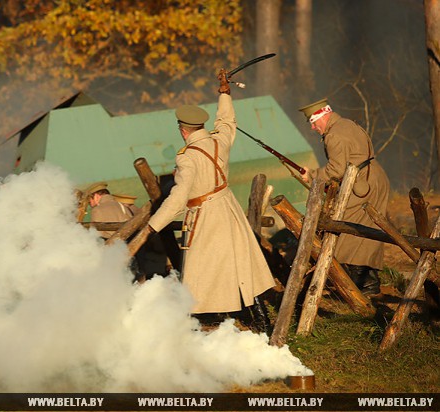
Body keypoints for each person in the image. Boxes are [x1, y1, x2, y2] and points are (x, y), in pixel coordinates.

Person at [144, 70, 275, 333]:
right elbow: (227, 121)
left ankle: (208, 320)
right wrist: (225, 93)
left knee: (202, 272)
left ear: (183, 130)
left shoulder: (186, 158)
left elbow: (178, 199)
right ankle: (258, 318)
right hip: (228, 207)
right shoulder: (219, 142)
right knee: (238, 264)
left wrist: (153, 226)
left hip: (205, 216)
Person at [298, 98, 390, 296]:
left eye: (314, 122)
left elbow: (336, 170)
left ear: (323, 116)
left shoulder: (334, 135)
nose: (313, 128)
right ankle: (368, 284)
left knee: (350, 232)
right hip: (372, 179)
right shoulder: (347, 124)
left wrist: (312, 175)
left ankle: (360, 286)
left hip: (361, 185)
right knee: (367, 234)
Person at [85, 182, 168, 281]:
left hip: (112, 254)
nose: (90, 204)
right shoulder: (122, 206)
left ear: (96, 196)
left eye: (90, 200)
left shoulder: (97, 210)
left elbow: (96, 235)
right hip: (130, 252)